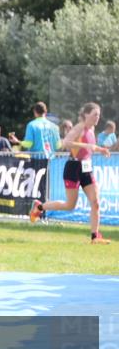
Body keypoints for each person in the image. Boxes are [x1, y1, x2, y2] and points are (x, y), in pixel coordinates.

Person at [30, 102, 112, 244]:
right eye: (94, 115)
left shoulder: (91, 130)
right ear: (86, 114)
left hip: (86, 168)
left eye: (98, 115)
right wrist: (87, 146)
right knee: (70, 205)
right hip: (73, 167)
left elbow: (90, 147)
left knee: (95, 202)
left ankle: (95, 237)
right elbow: (66, 142)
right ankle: (39, 207)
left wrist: (101, 150)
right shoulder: (79, 127)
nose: (97, 118)